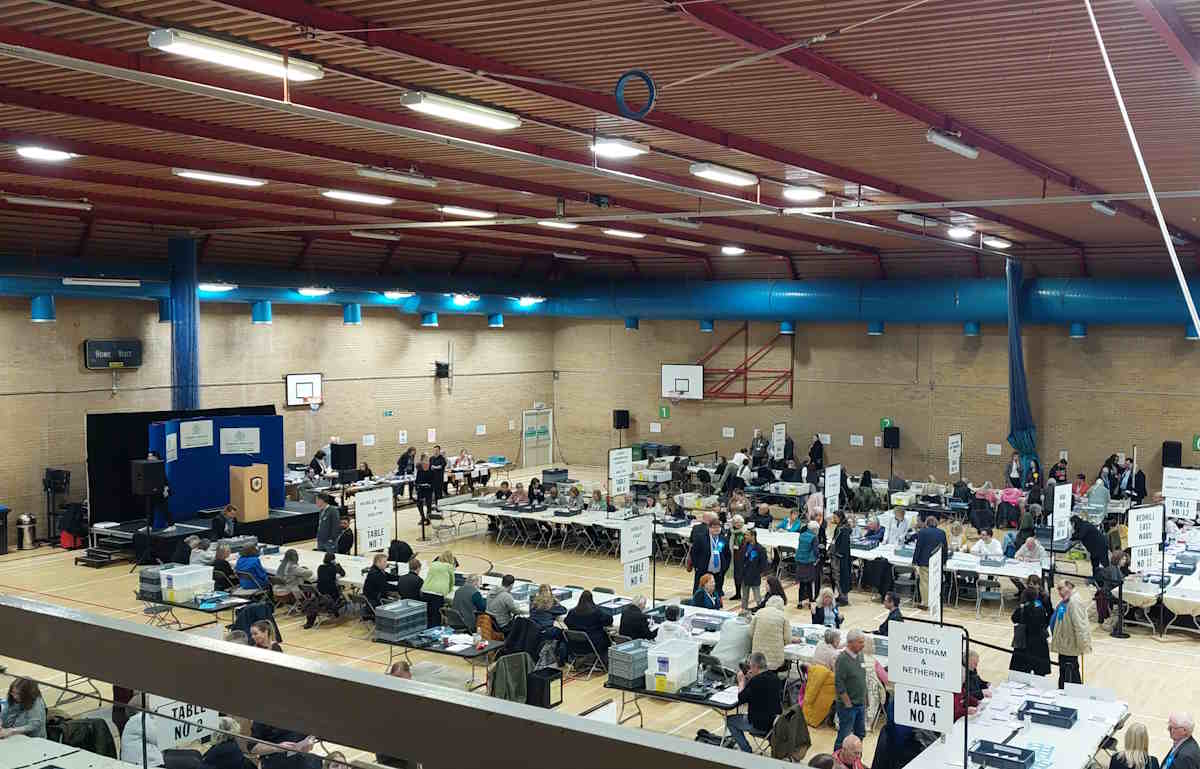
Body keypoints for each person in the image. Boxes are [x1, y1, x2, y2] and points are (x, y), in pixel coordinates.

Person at [725, 651, 782, 752]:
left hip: (760, 725)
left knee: (730, 721)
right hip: (775, 722)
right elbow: (762, 693)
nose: (750, 670)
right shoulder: (775, 678)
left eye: (750, 667)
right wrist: (752, 679)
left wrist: (741, 682)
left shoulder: (756, 681)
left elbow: (741, 698)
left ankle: (746, 750)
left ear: (755, 666)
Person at [1050, 580, 1092, 687]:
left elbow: (1080, 626)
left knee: (1071, 678)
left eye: (1060, 588)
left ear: (1069, 586)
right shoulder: (1065, 601)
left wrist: (1082, 645)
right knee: (1065, 675)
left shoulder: (1074, 602)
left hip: (1070, 647)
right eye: (1057, 589)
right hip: (1064, 646)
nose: (1059, 592)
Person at [834, 629, 868, 750]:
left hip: (860, 704)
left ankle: (855, 759)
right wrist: (847, 703)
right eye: (860, 642)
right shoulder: (842, 659)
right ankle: (836, 761)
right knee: (844, 736)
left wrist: (865, 699)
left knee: (860, 734)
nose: (863, 645)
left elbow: (862, 677)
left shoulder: (860, 655)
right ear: (851, 642)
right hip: (848, 707)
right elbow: (838, 683)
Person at [1009, 586, 1051, 675]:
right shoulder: (1041, 610)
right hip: (1039, 644)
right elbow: (1046, 622)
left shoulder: (1021, 609)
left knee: (1022, 673)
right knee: (1040, 673)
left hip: (1024, 644)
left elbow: (1013, 619)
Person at [688, 514, 730, 596]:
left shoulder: (723, 539)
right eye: (714, 527)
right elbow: (693, 553)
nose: (716, 529)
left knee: (716, 593)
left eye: (718, 527)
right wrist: (697, 566)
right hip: (703, 570)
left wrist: (725, 567)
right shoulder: (701, 538)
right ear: (709, 528)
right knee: (700, 593)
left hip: (718, 572)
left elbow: (727, 554)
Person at [565, 590, 614, 658]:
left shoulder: (572, 612)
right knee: (609, 638)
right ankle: (604, 661)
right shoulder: (597, 612)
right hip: (592, 645)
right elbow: (609, 620)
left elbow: (566, 622)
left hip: (574, 645)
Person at [250, 721, 317, 769]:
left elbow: (314, 733)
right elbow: (252, 747)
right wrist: (277, 748)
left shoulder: (305, 712)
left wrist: (310, 741)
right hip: (276, 758)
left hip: (304, 757)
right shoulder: (263, 715)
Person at [913, 515, 947, 610]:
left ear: (926, 524)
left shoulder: (922, 532)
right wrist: (944, 562)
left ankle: (925, 603)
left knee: (924, 583)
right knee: (935, 583)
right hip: (937, 562)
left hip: (925, 562)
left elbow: (918, 548)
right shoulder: (942, 533)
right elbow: (944, 549)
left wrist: (914, 561)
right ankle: (935, 602)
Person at [305, 551, 345, 628]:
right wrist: (338, 565)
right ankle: (336, 611)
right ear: (333, 560)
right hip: (332, 595)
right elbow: (343, 573)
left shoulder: (320, 568)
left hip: (321, 594)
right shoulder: (333, 567)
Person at [750, 594, 789, 671]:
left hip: (758, 657)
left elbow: (751, 633)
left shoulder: (759, 613)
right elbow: (787, 639)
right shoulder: (783, 616)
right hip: (775, 659)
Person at [738, 529, 767, 610]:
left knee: (757, 598)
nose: (745, 536)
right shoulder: (744, 547)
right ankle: (743, 611)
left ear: (753, 536)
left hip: (754, 577)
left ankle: (761, 612)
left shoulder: (760, 549)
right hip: (745, 576)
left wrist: (759, 573)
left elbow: (764, 564)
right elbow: (741, 560)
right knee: (744, 597)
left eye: (747, 535)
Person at [831, 513, 852, 605]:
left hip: (840, 559)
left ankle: (844, 598)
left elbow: (842, 545)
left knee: (840, 577)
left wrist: (836, 553)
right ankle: (840, 595)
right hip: (838, 557)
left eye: (835, 517)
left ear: (839, 518)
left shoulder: (843, 529)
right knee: (837, 577)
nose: (833, 519)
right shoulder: (840, 528)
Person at [414, 457, 437, 527]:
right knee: (419, 504)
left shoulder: (432, 471)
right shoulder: (420, 471)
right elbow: (417, 481)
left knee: (428, 504)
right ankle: (422, 517)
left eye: (426, 464)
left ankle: (428, 518)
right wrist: (418, 485)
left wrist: (429, 485)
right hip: (421, 489)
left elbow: (434, 482)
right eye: (424, 464)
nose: (425, 466)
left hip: (429, 489)